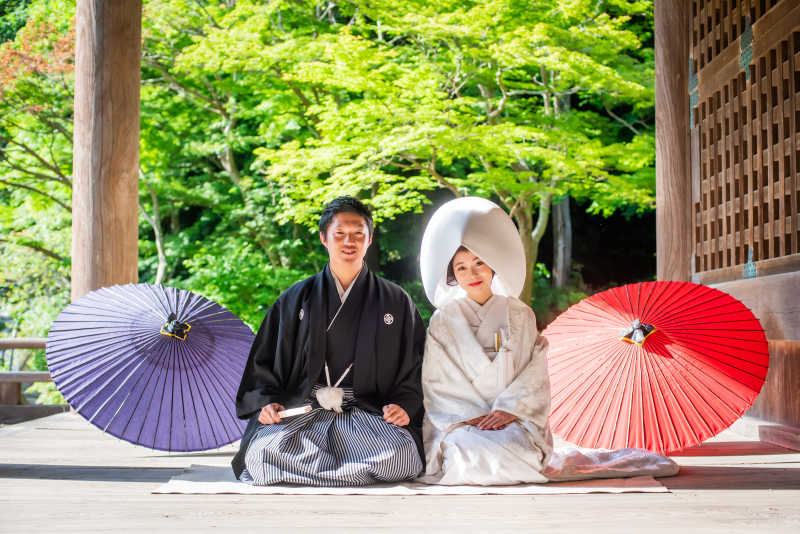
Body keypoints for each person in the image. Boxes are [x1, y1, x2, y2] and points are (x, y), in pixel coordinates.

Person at [418, 197, 678, 486]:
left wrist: (510, 409)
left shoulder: (520, 314)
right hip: (463, 422)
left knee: (516, 455)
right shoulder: (442, 321)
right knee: (470, 457)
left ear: (493, 265)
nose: (472, 273)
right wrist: (469, 416)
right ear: (452, 274)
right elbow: (436, 381)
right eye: (462, 267)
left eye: (479, 263)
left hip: (513, 417)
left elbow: (534, 371)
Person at [232, 196, 425, 486]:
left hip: (367, 413)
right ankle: (353, 475)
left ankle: (308, 475)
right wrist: (267, 403)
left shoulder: (396, 300)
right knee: (262, 454)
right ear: (324, 238)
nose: (350, 241)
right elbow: (265, 362)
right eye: (340, 233)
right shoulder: (296, 298)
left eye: (359, 233)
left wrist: (404, 404)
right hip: (304, 409)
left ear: (369, 239)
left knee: (400, 455)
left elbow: (415, 365)